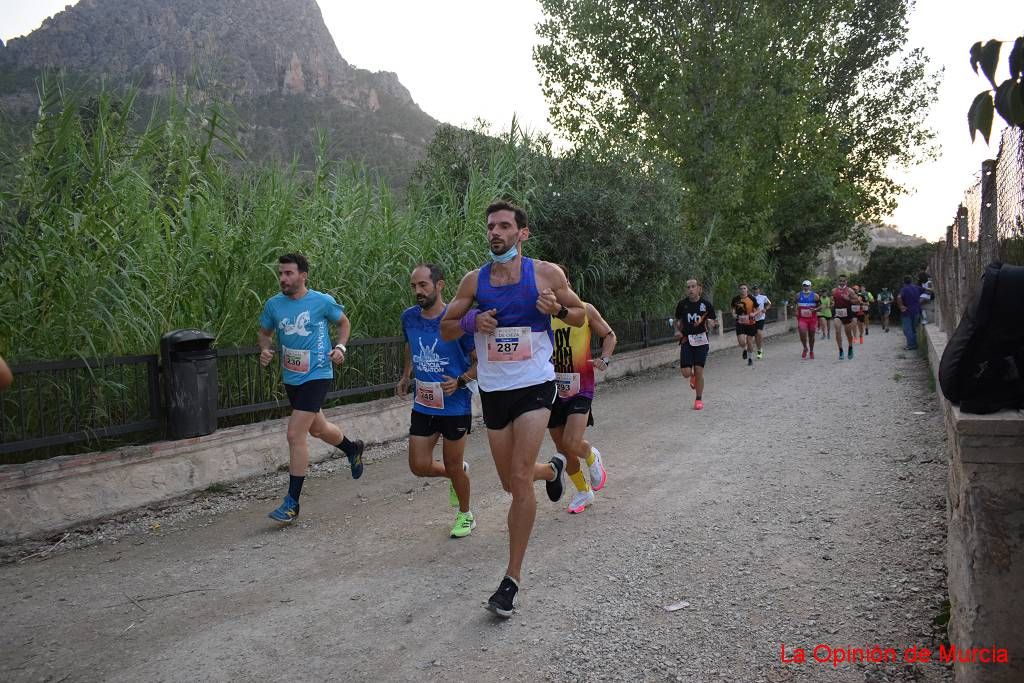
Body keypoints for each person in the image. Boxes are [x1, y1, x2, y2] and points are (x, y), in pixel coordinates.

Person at [440, 200, 586, 618]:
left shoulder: (545, 273)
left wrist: (556, 309)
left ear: (523, 233)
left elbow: (579, 315)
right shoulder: (475, 281)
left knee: (518, 480)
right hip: (494, 391)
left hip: (535, 387)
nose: (496, 233)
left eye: (504, 226)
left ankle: (511, 580)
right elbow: (447, 326)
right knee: (510, 483)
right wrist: (472, 323)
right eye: (491, 226)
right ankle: (553, 469)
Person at [259, 253, 365, 523]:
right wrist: (265, 349)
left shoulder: (321, 301)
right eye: (280, 273)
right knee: (318, 428)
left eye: (289, 273)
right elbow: (265, 332)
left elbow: (343, 322)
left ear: (303, 275)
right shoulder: (274, 305)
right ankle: (352, 449)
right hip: (291, 377)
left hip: (317, 374)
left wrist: (340, 346)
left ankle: (292, 502)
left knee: (295, 434)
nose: (283, 278)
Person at [397, 264, 477, 538]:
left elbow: (479, 362)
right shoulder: (409, 318)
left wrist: (462, 380)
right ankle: (457, 475)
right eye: (414, 286)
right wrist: (406, 375)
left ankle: (466, 515)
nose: (418, 291)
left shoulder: (457, 320)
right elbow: (409, 343)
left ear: (440, 285)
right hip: (424, 403)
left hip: (455, 404)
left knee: (452, 462)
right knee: (418, 466)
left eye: (423, 285)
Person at [548, 265, 616, 514]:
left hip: (581, 386)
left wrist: (605, 359)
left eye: (557, 283)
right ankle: (583, 491)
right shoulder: (543, 315)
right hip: (552, 388)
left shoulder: (585, 310)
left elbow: (610, 336)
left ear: (566, 283)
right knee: (562, 447)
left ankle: (591, 455)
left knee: (572, 441)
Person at [675, 278, 718, 409]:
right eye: (688, 287)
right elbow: (677, 322)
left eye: (693, 287)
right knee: (686, 373)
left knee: (699, 370)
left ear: (699, 288)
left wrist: (713, 324)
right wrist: (677, 331)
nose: (691, 290)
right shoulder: (682, 305)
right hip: (687, 340)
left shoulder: (706, 305)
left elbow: (715, 322)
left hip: (701, 341)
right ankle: (692, 376)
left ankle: (698, 399)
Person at [831, 275, 862, 360]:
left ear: (846, 281)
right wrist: (832, 303)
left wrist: (848, 299)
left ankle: (850, 347)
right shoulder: (834, 290)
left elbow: (858, 301)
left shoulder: (850, 290)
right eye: (840, 281)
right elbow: (832, 300)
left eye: (843, 281)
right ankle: (840, 350)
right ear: (838, 281)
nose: (841, 282)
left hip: (847, 314)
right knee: (837, 330)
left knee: (848, 333)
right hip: (837, 314)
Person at [731, 284, 757, 367]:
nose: (743, 290)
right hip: (740, 322)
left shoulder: (752, 298)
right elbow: (733, 309)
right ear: (739, 290)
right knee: (741, 342)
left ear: (747, 289)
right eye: (741, 288)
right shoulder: (735, 299)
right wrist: (733, 314)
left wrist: (754, 313)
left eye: (744, 288)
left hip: (750, 322)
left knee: (749, 342)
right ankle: (744, 349)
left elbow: (757, 309)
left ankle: (750, 359)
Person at [795, 280, 820, 359]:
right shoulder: (798, 295)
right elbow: (795, 305)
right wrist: (796, 311)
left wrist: (815, 310)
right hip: (802, 319)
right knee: (802, 333)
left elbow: (820, 306)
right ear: (802, 286)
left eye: (807, 285)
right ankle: (805, 348)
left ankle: (811, 351)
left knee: (811, 335)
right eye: (804, 285)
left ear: (810, 286)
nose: (806, 287)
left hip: (812, 319)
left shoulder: (815, 296)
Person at [897, 275, 924, 350]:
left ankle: (911, 345)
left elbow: (899, 297)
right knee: (913, 329)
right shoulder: (917, 287)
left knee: (907, 329)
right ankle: (914, 344)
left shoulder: (904, 289)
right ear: (912, 281)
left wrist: (901, 306)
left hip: (907, 312)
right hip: (916, 311)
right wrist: (921, 300)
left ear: (904, 282)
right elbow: (927, 291)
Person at [751, 285, 772, 359]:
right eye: (754, 289)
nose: (755, 291)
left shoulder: (763, 297)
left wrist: (765, 309)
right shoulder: (750, 297)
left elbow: (769, 303)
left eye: (756, 289)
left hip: (761, 317)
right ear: (752, 290)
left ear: (759, 290)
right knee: (755, 335)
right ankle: (758, 349)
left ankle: (759, 350)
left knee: (759, 333)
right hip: (752, 319)